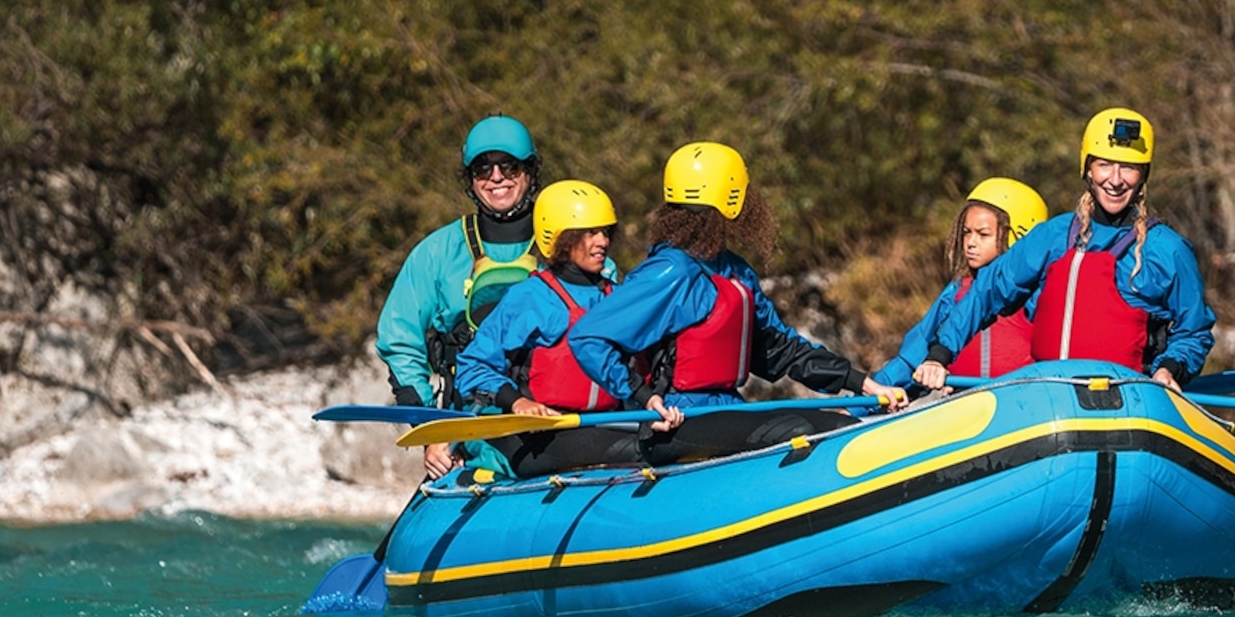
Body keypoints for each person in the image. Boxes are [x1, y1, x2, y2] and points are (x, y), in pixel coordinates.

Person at [567, 141, 905, 461]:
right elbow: (589, 337)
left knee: (838, 424)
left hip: (728, 408)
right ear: (728, 198)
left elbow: (779, 349)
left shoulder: (735, 271)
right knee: (805, 429)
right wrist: (643, 398)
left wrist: (858, 381)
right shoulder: (671, 270)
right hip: (679, 422)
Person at [915, 108, 1214, 389]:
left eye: (1129, 168)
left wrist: (1170, 368)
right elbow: (987, 291)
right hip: (1051, 400)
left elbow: (1194, 330)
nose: (1115, 179)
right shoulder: (1053, 237)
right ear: (1087, 169)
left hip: (1126, 400)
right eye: (1104, 165)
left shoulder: (1167, 250)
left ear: (1143, 175)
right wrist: (940, 353)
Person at [452, 181, 635, 476]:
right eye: (590, 232)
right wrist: (518, 401)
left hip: (602, 424)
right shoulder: (531, 298)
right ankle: (482, 455)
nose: (602, 241)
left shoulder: (618, 297)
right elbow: (473, 366)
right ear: (560, 237)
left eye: (605, 231)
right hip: (541, 433)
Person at [374, 115, 544, 408]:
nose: (496, 177)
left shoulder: (568, 242)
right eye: (482, 168)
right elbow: (399, 338)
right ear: (470, 179)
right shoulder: (439, 250)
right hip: (468, 427)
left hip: (555, 423)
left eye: (509, 165)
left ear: (529, 171)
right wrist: (428, 425)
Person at [873, 177, 1049, 393]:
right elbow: (911, 358)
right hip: (962, 404)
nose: (971, 243)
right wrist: (867, 397)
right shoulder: (958, 290)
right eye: (966, 232)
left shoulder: (1038, 292)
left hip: (1023, 404)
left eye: (983, 234)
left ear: (1020, 237)